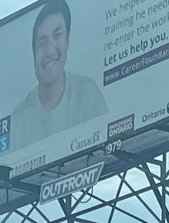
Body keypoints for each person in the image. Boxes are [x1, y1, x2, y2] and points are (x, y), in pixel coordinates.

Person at [10, 0, 107, 149]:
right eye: (42, 42)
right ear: (33, 52)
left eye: (57, 35)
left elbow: (106, 146)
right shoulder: (19, 116)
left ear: (68, 39)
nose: (49, 51)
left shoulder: (87, 92)